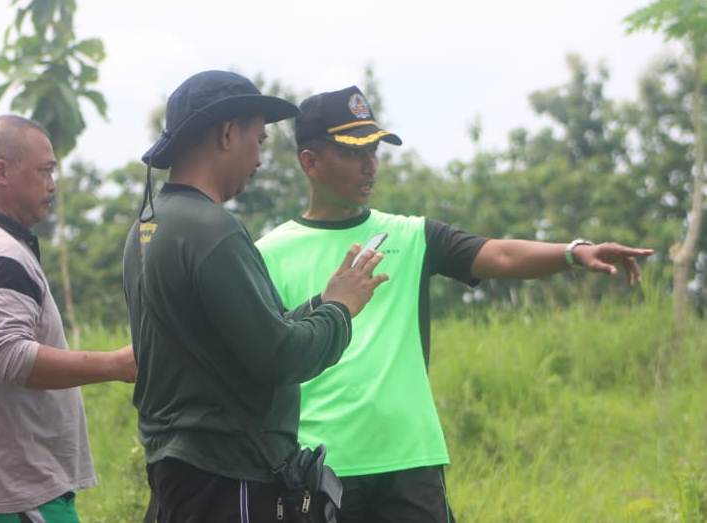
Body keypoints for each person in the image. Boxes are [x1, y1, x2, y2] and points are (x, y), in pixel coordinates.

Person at [255, 86, 655, 523]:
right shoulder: (267, 254)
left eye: (374, 150)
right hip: (319, 469)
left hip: (410, 460)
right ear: (310, 162)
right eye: (353, 153)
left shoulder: (411, 236)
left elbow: (498, 255)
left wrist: (573, 253)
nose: (370, 165)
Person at [122, 71, 388, 522]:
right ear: (227, 133)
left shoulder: (148, 228)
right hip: (228, 477)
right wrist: (342, 310)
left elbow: (233, 339)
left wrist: (321, 303)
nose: (261, 158)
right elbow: (280, 357)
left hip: (178, 471)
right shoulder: (213, 231)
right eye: (259, 141)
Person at [0, 115, 137, 522]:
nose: (53, 184)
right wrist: (118, 364)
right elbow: (9, 356)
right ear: (1, 171)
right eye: (45, 170)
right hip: (14, 491)